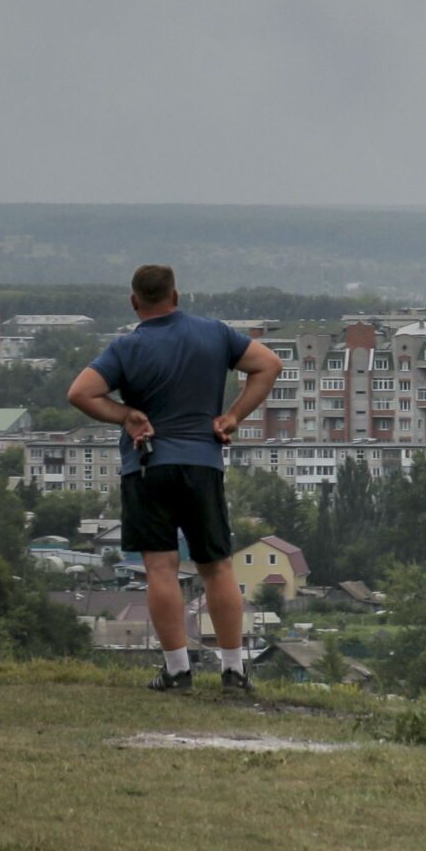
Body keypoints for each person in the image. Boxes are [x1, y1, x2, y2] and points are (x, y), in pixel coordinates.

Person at [68, 264, 282, 694]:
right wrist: (233, 416)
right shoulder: (215, 334)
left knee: (161, 568)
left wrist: (126, 415)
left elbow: (80, 392)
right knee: (217, 567)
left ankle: (177, 670)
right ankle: (234, 671)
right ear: (176, 296)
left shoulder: (127, 348)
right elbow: (269, 365)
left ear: (134, 302)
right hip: (202, 463)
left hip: (148, 466)